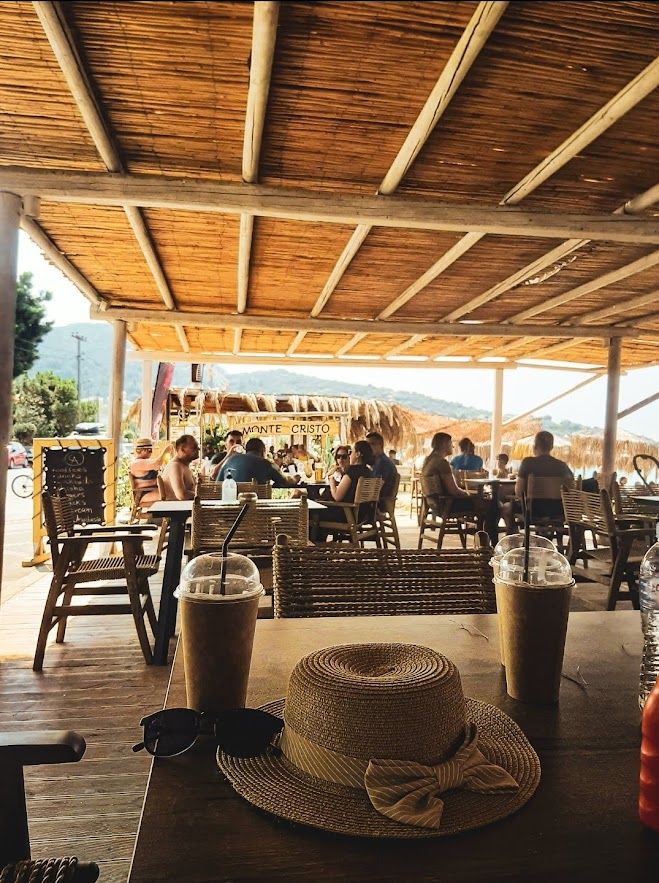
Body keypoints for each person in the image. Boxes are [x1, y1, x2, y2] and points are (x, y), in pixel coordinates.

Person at [502, 430, 573, 532]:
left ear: (535, 445)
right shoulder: (562, 466)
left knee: (505, 508)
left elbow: (518, 492)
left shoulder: (528, 463)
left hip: (533, 511)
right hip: (558, 511)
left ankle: (514, 538)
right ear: (551, 447)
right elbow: (571, 489)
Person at [421, 432, 487, 525]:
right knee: (488, 505)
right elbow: (454, 491)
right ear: (444, 444)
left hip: (435, 504)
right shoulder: (442, 463)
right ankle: (485, 536)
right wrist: (469, 494)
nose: (452, 447)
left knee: (482, 501)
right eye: (450, 444)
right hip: (448, 505)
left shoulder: (428, 460)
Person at [318, 440, 375, 538]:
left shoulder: (353, 472)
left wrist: (331, 480)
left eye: (351, 452)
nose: (350, 455)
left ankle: (313, 545)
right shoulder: (368, 471)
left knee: (312, 511)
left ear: (358, 454)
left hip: (347, 514)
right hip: (362, 514)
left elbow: (337, 497)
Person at [216, 437, 300, 487]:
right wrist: (295, 478)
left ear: (246, 450)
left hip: (229, 509)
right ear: (263, 451)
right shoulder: (266, 463)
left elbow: (217, 484)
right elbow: (285, 482)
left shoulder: (229, 460)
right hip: (255, 509)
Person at [129, 438, 173, 506]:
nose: (151, 452)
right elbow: (157, 463)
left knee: (175, 491)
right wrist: (166, 450)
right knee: (174, 495)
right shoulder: (137, 463)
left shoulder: (143, 461)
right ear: (144, 450)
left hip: (150, 491)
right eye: (150, 450)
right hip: (144, 494)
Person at [160, 434, 199, 501]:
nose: (198, 449)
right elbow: (181, 495)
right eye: (194, 447)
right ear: (182, 449)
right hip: (177, 509)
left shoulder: (183, 465)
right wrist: (201, 495)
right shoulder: (175, 466)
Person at [365, 431, 398, 503]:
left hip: (379, 501)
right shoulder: (378, 461)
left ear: (380, 445)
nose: (368, 448)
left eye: (372, 444)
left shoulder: (383, 462)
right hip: (378, 499)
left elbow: (375, 488)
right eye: (366, 445)